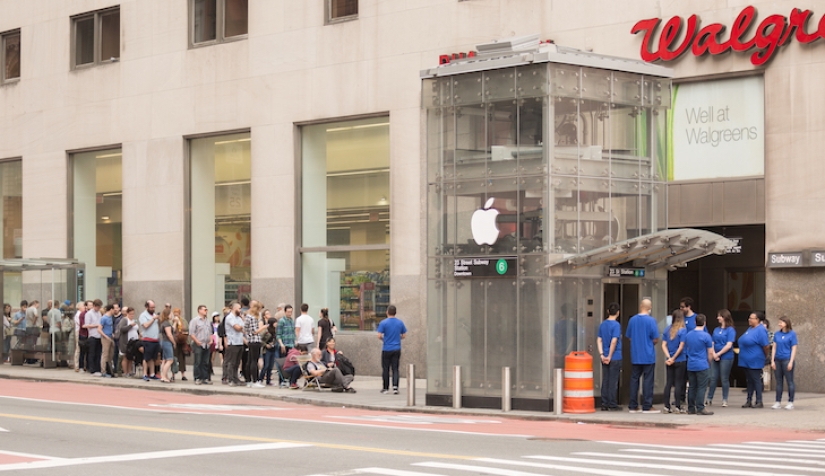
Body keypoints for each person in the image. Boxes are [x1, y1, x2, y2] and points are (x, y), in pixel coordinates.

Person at [625, 298, 660, 413]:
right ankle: (647, 405)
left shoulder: (632, 320)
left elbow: (629, 337)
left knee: (634, 379)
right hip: (648, 355)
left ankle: (633, 405)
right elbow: (655, 338)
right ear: (650, 308)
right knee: (648, 380)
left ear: (640, 306)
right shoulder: (651, 321)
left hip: (635, 354)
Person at [738, 311, 770, 408]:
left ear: (758, 320)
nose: (749, 320)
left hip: (755, 359)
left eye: (752, 318)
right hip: (745, 359)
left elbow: (766, 345)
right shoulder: (750, 329)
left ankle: (759, 401)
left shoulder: (761, 330)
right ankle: (749, 400)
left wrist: (765, 356)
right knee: (749, 380)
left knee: (756, 379)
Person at [685, 314, 714, 415]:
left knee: (692, 387)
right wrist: (708, 362)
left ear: (694, 322)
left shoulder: (688, 335)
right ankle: (700, 407)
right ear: (704, 323)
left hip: (691, 364)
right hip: (702, 364)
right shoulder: (706, 336)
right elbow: (710, 352)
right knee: (701, 387)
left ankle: (691, 408)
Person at [706, 309, 736, 407]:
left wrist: (718, 354)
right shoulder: (716, 329)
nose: (717, 318)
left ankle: (725, 399)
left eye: (719, 316)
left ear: (724, 317)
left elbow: (729, 345)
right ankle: (709, 398)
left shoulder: (731, 330)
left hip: (726, 356)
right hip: (716, 355)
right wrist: (714, 353)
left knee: (724, 378)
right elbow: (712, 342)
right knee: (713, 377)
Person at [597, 302, 622, 411]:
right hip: (615, 356)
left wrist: (602, 354)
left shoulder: (602, 324)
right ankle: (612, 403)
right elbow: (614, 341)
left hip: (604, 356)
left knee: (605, 380)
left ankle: (604, 403)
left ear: (608, 311)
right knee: (613, 380)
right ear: (618, 313)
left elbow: (599, 340)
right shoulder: (616, 325)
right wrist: (610, 356)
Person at [377, 304, 407, 395]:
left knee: (385, 368)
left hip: (386, 348)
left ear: (387, 312)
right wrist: (398, 339)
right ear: (395, 313)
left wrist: (384, 340)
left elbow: (379, 335)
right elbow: (404, 335)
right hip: (397, 348)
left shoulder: (383, 323)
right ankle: (395, 387)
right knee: (395, 368)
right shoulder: (400, 323)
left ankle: (385, 388)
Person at [661, 309, 687, 414]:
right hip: (680, 359)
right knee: (678, 383)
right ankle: (677, 406)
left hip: (669, 360)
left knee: (668, 383)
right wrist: (675, 357)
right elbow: (681, 347)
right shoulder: (682, 330)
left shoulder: (667, 329)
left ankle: (666, 406)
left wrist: (669, 357)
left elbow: (663, 345)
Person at [771, 316, 798, 410]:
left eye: (781, 322)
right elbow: (774, 347)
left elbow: (794, 348)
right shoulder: (777, 334)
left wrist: (791, 361)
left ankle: (790, 402)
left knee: (789, 381)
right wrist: (772, 360)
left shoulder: (792, 334)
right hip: (777, 359)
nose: (779, 324)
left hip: (787, 359)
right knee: (779, 382)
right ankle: (777, 401)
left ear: (786, 323)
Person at [189, 305, 212, 385]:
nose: (206, 311)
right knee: (198, 361)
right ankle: (197, 377)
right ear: (199, 310)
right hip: (198, 343)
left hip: (206, 344)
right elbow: (191, 333)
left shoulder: (207, 321)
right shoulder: (195, 321)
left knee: (205, 362)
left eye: (206, 310)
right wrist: (196, 341)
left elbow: (210, 332)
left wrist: (211, 340)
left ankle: (205, 377)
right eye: (204, 310)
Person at [244, 301, 265, 388]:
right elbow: (255, 331)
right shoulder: (253, 318)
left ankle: (248, 380)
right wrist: (264, 327)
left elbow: (245, 329)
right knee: (254, 361)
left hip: (250, 340)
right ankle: (255, 380)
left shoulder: (248, 317)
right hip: (255, 340)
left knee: (249, 361)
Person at [223, 303, 245, 387]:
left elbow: (243, 329)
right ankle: (230, 379)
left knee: (237, 362)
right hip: (232, 342)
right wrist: (241, 326)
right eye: (239, 308)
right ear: (234, 308)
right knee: (231, 362)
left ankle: (236, 378)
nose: (240, 310)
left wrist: (242, 321)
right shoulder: (229, 317)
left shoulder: (239, 318)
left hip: (239, 341)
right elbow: (237, 328)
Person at [139, 300, 161, 381]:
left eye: (154, 307)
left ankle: (152, 374)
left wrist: (158, 319)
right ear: (147, 307)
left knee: (153, 358)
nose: (153, 309)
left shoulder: (154, 315)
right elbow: (145, 325)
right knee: (146, 357)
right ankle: (145, 374)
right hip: (147, 339)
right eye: (151, 307)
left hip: (155, 339)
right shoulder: (143, 315)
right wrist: (153, 319)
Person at [117, 307, 139, 378]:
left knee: (130, 357)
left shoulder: (134, 320)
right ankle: (125, 372)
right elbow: (122, 329)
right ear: (127, 313)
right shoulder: (124, 320)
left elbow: (136, 330)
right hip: (126, 341)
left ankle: (129, 372)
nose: (132, 315)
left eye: (133, 314)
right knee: (125, 357)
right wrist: (130, 325)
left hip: (134, 341)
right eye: (130, 314)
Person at [83, 300, 103, 376]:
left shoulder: (99, 313)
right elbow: (87, 325)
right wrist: (96, 325)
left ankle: (98, 368)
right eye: (98, 307)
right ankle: (91, 368)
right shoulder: (89, 314)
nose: (98, 309)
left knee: (98, 353)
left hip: (99, 335)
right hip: (92, 335)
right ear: (94, 306)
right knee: (92, 353)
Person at [259, 312, 279, 386]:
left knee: (271, 366)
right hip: (266, 350)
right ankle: (260, 379)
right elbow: (260, 339)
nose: (276, 324)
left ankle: (268, 380)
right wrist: (266, 345)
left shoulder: (276, 331)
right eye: (275, 323)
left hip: (273, 349)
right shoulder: (266, 331)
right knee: (266, 365)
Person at [158, 307, 175, 383]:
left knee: (164, 360)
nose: (172, 315)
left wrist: (175, 322)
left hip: (164, 342)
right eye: (171, 314)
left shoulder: (163, 323)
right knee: (170, 360)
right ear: (168, 315)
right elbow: (169, 334)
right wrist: (174, 342)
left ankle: (164, 376)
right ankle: (164, 376)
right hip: (167, 342)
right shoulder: (167, 323)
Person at [98, 305, 116, 378]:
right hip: (105, 338)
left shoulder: (110, 318)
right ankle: (103, 371)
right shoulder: (104, 318)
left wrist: (112, 334)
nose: (114, 311)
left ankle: (110, 370)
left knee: (110, 355)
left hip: (110, 336)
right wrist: (105, 336)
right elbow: (99, 329)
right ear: (111, 309)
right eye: (113, 309)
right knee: (105, 354)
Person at [172, 307, 188, 382]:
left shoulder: (183, 320)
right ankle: (173, 374)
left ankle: (183, 374)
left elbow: (187, 329)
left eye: (177, 312)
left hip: (182, 341)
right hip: (174, 341)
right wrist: (175, 322)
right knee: (174, 358)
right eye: (175, 312)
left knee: (182, 358)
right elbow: (171, 330)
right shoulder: (171, 320)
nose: (176, 314)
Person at [73, 302, 87, 372]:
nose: (85, 307)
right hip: (79, 331)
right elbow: (80, 323)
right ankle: (77, 365)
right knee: (78, 348)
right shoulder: (78, 314)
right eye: (83, 306)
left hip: (81, 331)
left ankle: (82, 365)